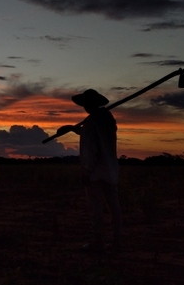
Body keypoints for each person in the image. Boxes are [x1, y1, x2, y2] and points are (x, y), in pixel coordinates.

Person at [56, 89, 122, 253]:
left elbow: (92, 147)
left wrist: (86, 171)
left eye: (86, 104)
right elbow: (92, 133)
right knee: (114, 207)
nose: (85, 107)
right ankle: (116, 242)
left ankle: (98, 242)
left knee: (96, 208)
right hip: (111, 169)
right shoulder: (107, 118)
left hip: (95, 172)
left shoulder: (93, 121)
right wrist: (72, 128)